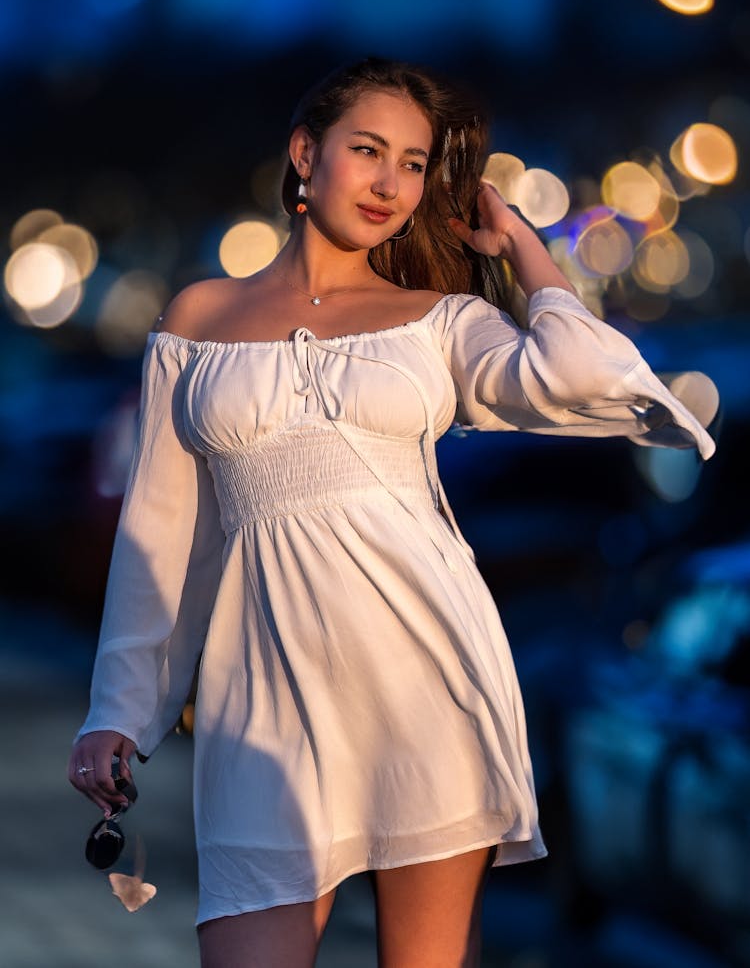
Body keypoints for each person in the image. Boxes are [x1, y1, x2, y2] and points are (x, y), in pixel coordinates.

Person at [69, 56, 715, 968]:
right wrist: (117, 711)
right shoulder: (200, 316)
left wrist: (524, 245)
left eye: (412, 163)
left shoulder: (439, 320)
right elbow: (161, 535)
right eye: (368, 149)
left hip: (427, 677)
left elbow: (576, 371)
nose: (389, 182)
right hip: (264, 707)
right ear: (305, 152)